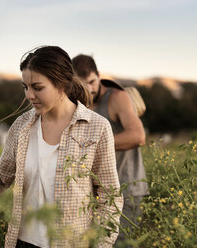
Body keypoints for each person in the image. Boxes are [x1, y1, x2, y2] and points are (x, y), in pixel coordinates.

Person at [0, 46, 123, 248]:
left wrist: (101, 244)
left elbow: (109, 197)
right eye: (25, 87)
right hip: (22, 242)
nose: (29, 95)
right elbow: (1, 174)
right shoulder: (22, 127)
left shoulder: (97, 127)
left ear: (62, 84)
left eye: (37, 87)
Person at [72, 54, 149, 246]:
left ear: (98, 76)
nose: (89, 89)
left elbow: (138, 136)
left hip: (126, 187)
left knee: (121, 244)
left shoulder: (117, 98)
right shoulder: (78, 104)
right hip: (97, 193)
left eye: (92, 81)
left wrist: (93, 143)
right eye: (83, 84)